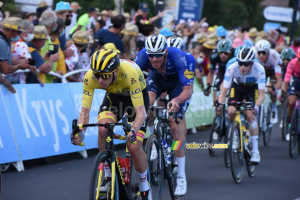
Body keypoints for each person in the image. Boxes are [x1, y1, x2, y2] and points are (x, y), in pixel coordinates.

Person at [72, 49, 152, 199]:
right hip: (114, 97)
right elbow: (84, 111)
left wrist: (134, 130)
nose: (100, 80)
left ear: (115, 71)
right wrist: (80, 132)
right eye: (97, 75)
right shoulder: (91, 77)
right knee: (103, 129)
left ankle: (144, 186)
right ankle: (108, 176)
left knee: (134, 147)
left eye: (104, 76)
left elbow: (141, 113)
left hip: (136, 99)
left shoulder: (130, 73)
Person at [135, 34, 194, 196]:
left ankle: (181, 176)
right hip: (157, 79)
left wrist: (175, 100)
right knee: (148, 105)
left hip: (177, 84)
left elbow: (188, 90)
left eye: (158, 55)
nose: (154, 59)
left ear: (166, 52)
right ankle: (154, 138)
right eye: (151, 55)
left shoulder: (179, 57)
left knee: (174, 124)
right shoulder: (142, 56)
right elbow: (131, 79)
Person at [219, 47, 266, 163]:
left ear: (252, 63)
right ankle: (234, 134)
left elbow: (261, 94)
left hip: (252, 88)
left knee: (250, 115)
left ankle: (255, 151)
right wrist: (220, 104)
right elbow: (224, 91)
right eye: (240, 63)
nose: (242, 67)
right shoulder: (232, 68)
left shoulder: (259, 69)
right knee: (230, 111)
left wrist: (256, 106)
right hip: (237, 87)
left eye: (246, 64)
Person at [255, 39, 282, 124]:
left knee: (271, 89)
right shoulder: (255, 56)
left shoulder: (274, 56)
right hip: (261, 71)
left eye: (264, 52)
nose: (261, 55)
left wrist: (275, 89)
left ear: (268, 52)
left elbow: (279, 80)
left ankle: (274, 108)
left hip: (273, 71)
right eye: (259, 53)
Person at [0, 17, 32, 82]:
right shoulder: (2, 43)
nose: (19, 36)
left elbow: (6, 61)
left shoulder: (7, 42)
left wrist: (19, 61)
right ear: (12, 31)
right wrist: (19, 66)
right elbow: (6, 70)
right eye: (18, 33)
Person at [204, 39, 235, 103]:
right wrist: (208, 86)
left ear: (231, 51)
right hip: (221, 73)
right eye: (220, 53)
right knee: (216, 100)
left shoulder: (235, 54)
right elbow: (211, 72)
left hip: (233, 75)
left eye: (226, 53)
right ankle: (218, 110)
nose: (222, 56)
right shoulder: (214, 54)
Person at [281, 48, 300, 141]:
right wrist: (283, 91)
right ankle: (289, 123)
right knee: (291, 102)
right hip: (296, 80)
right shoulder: (292, 63)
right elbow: (286, 80)